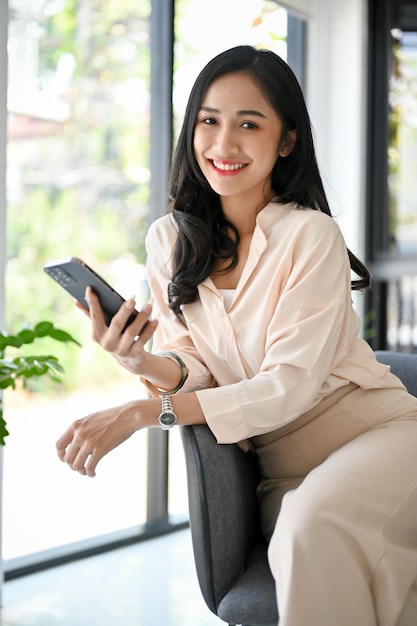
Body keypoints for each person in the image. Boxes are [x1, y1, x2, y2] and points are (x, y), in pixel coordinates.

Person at [56, 45, 417, 626]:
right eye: (209, 120)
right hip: (286, 474)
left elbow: (286, 389)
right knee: (308, 529)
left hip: (381, 438)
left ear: (287, 140)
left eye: (249, 124)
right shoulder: (170, 240)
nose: (223, 144)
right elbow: (196, 364)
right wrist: (142, 360)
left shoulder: (311, 236)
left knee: (310, 529)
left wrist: (142, 414)